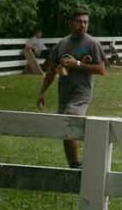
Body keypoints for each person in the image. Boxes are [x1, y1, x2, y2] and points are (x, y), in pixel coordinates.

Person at [36, 10, 106, 168]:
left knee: (70, 120)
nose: (83, 25)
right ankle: (73, 164)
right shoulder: (62, 44)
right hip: (64, 92)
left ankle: (90, 156)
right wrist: (42, 92)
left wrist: (79, 64)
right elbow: (52, 71)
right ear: (71, 23)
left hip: (82, 92)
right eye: (79, 21)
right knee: (65, 128)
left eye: (86, 22)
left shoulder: (92, 43)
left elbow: (101, 70)